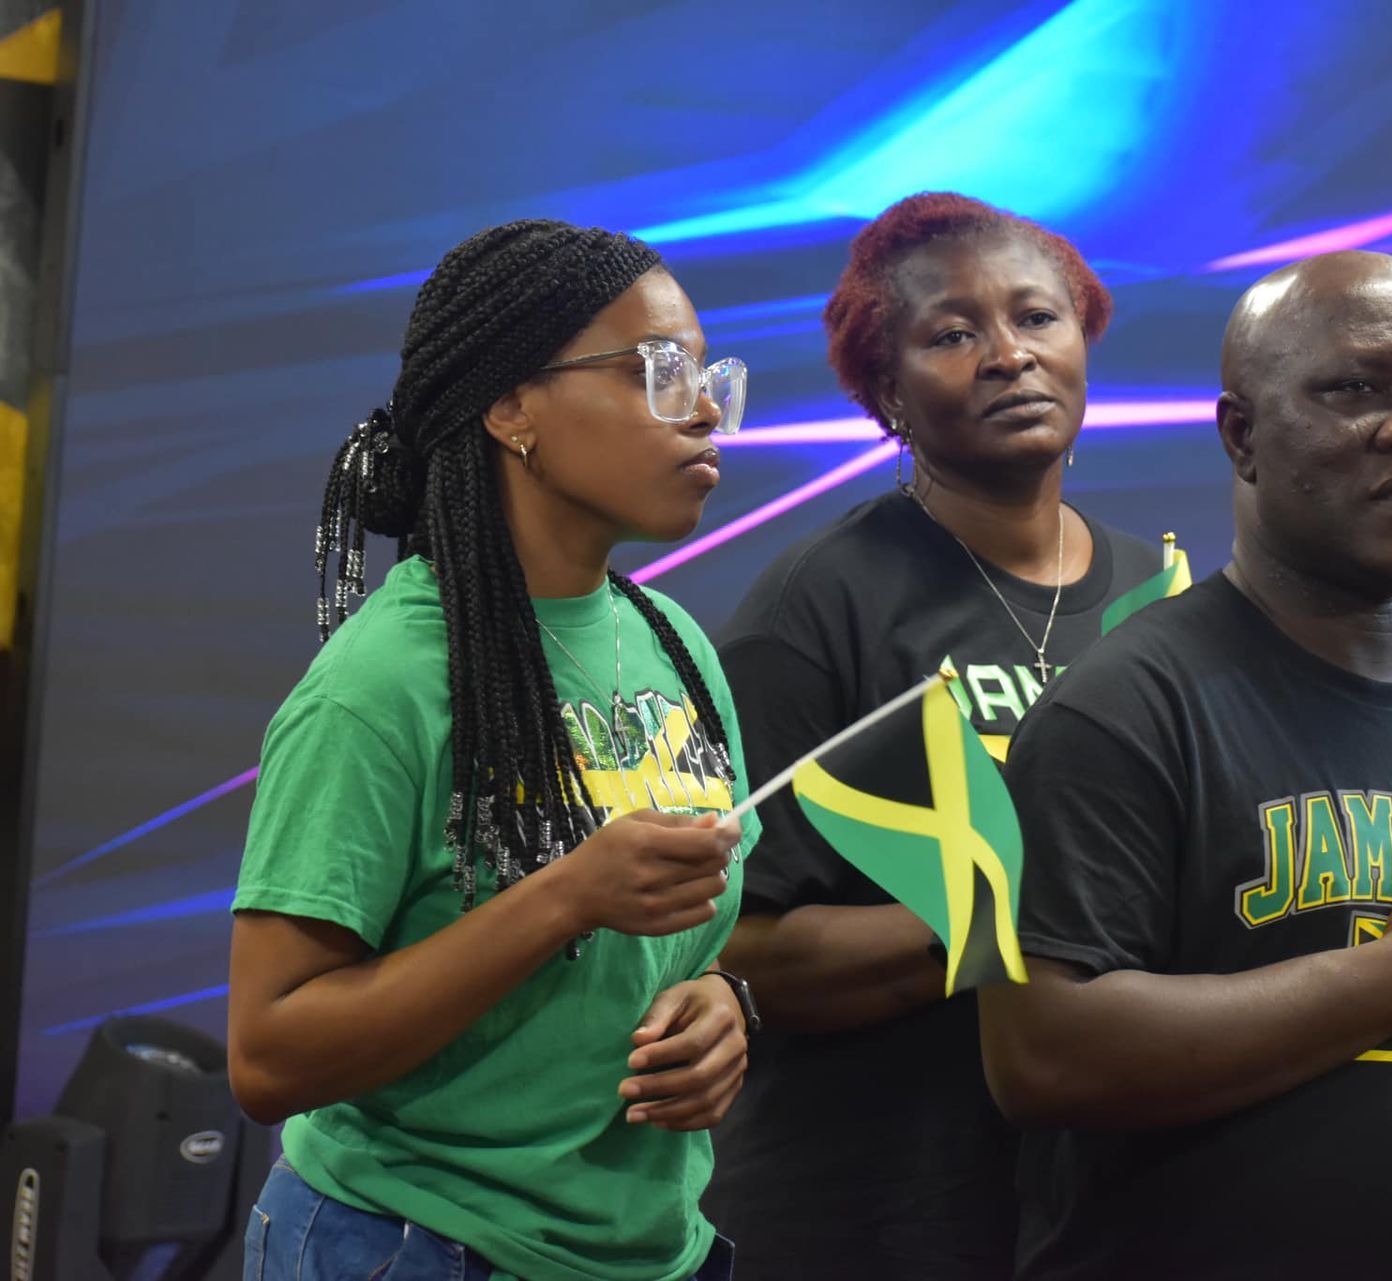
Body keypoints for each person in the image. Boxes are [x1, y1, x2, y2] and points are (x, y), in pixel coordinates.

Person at [975, 250, 1392, 1281]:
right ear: (1242, 436)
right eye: (1356, 389)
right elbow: (1042, 1050)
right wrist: (1391, 981)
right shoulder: (1127, 706)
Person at [228, 220, 760, 1280]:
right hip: (414, 1245)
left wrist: (724, 1007)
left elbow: (685, 952)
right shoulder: (385, 685)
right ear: (513, 410)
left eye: (710, 375)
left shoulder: (676, 647)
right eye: (657, 370)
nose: (704, 408)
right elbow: (269, 1051)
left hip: (647, 1249)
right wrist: (564, 897)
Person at [702, 192, 1164, 1279]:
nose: (1008, 355)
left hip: (1100, 1205)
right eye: (953, 334)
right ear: (886, 390)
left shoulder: (1168, 596)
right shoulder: (817, 609)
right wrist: (1010, 905)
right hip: (871, 1212)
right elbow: (736, 951)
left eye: (1038, 318)